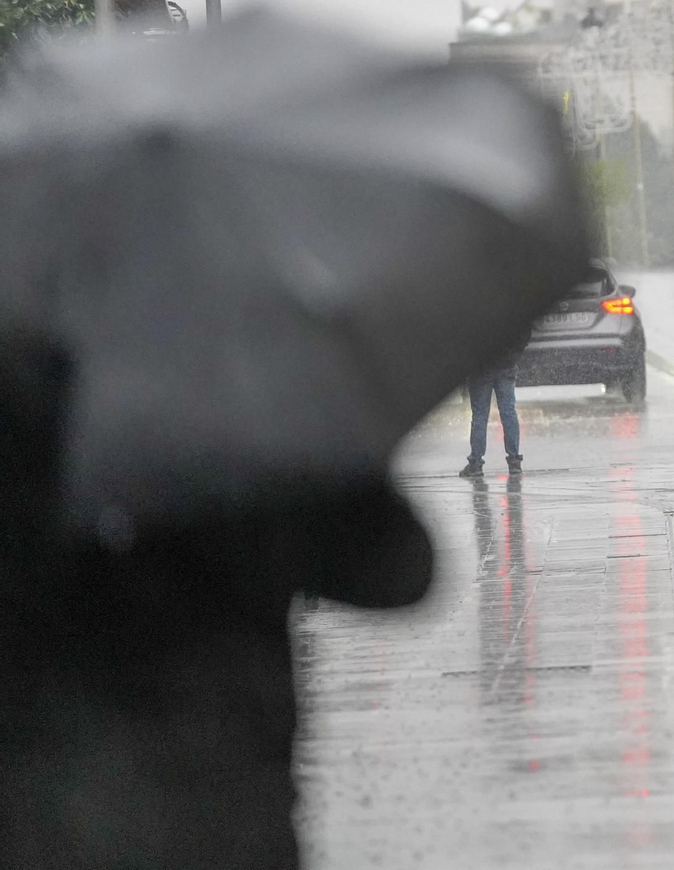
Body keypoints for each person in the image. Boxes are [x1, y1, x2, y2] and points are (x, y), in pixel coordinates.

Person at [0, 331, 434, 870]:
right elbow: (398, 570)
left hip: (51, 817)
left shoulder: (23, 398)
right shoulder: (238, 408)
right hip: (223, 815)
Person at [461, 351, 521, 478]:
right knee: (508, 412)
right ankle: (514, 461)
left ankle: (476, 463)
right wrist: (514, 354)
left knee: (480, 416)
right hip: (506, 364)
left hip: (481, 369)